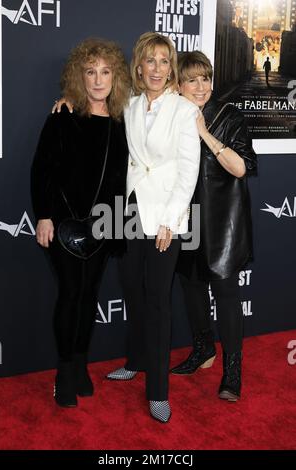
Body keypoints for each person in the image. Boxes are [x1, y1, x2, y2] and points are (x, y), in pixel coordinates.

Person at [106, 32, 201, 422]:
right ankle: (137, 360)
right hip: (129, 212)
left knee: (159, 300)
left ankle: (158, 391)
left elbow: (188, 170)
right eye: (151, 61)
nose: (158, 69)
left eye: (164, 61)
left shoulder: (184, 110)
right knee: (133, 291)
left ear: (170, 67)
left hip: (166, 216)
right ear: (139, 67)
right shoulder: (127, 106)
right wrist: (67, 103)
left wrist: (171, 221)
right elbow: (94, 112)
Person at [31, 38, 130, 408]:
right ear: (79, 76)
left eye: (105, 72)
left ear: (116, 77)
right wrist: (43, 215)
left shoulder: (122, 122)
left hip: (104, 227)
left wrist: (119, 227)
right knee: (71, 294)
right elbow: (42, 169)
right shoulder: (63, 116)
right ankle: (63, 371)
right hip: (61, 223)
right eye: (90, 72)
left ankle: (81, 365)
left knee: (89, 296)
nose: (98, 79)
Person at [171, 51, 257, 402]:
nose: (201, 86)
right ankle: (203, 349)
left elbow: (240, 168)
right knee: (191, 288)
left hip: (224, 220)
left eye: (205, 78)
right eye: (192, 79)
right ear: (178, 84)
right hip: (186, 218)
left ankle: (232, 371)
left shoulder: (229, 115)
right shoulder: (171, 115)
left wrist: (204, 133)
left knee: (225, 294)